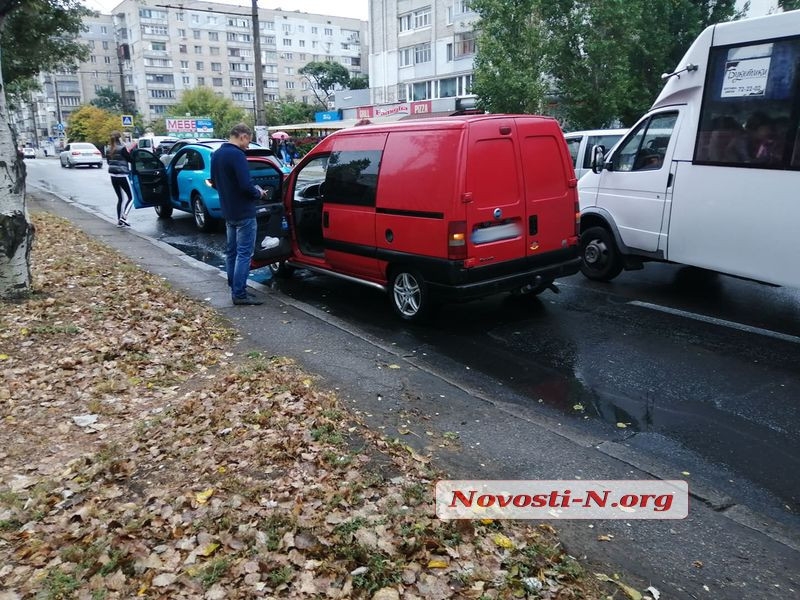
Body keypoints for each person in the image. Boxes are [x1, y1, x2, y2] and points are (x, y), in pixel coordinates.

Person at [210, 123, 270, 306]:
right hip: (244, 211)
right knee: (244, 253)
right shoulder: (237, 155)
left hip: (228, 210)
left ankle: (234, 284)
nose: (248, 145)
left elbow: (213, 182)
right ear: (242, 136)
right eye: (248, 141)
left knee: (232, 251)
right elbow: (245, 185)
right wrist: (259, 193)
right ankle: (240, 294)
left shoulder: (217, 154)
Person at [106, 131, 133, 227]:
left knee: (120, 198)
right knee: (132, 197)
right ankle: (124, 217)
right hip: (123, 175)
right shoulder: (122, 148)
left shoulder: (109, 149)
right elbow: (130, 159)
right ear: (119, 138)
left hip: (113, 176)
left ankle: (119, 221)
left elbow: (109, 162)